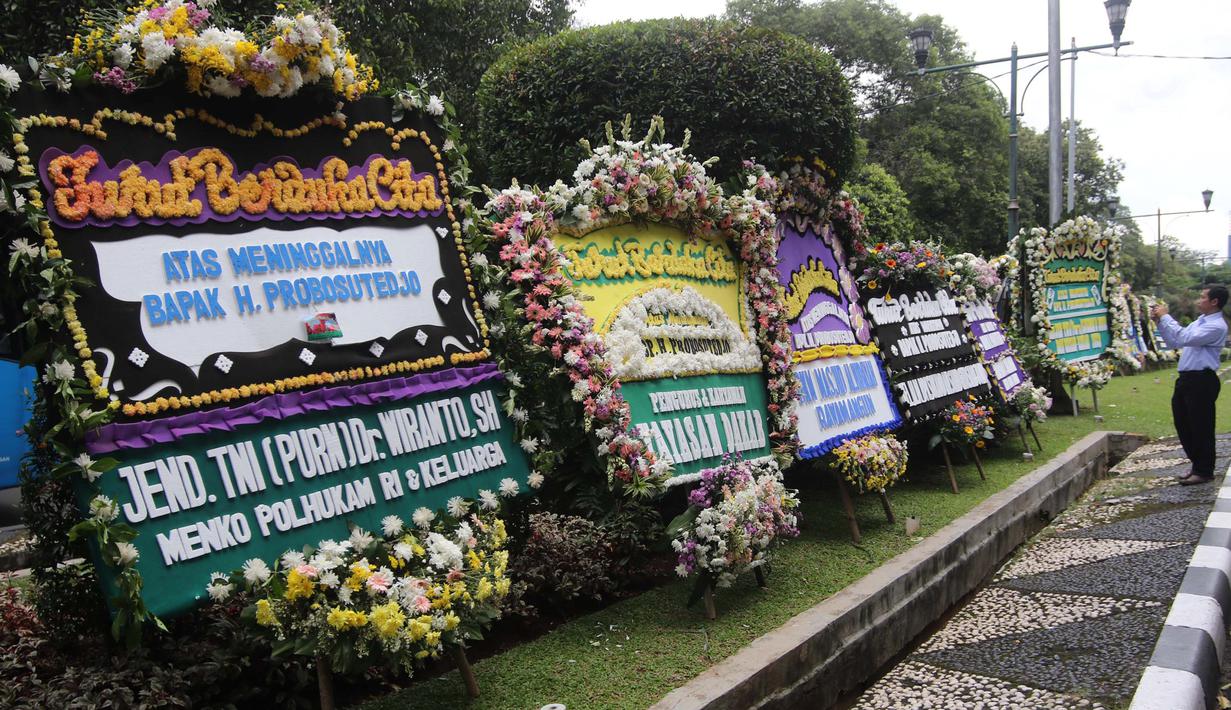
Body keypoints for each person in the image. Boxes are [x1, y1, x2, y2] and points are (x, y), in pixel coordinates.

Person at [1150, 285, 1229, 485]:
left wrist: (1166, 316)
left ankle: (1204, 470)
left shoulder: (1216, 325)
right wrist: (1160, 322)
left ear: (1214, 302)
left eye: (1202, 297)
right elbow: (1175, 341)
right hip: (1186, 379)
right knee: (1184, 423)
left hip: (1202, 380)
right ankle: (1197, 465)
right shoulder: (1199, 322)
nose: (1198, 300)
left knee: (1201, 425)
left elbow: (1184, 337)